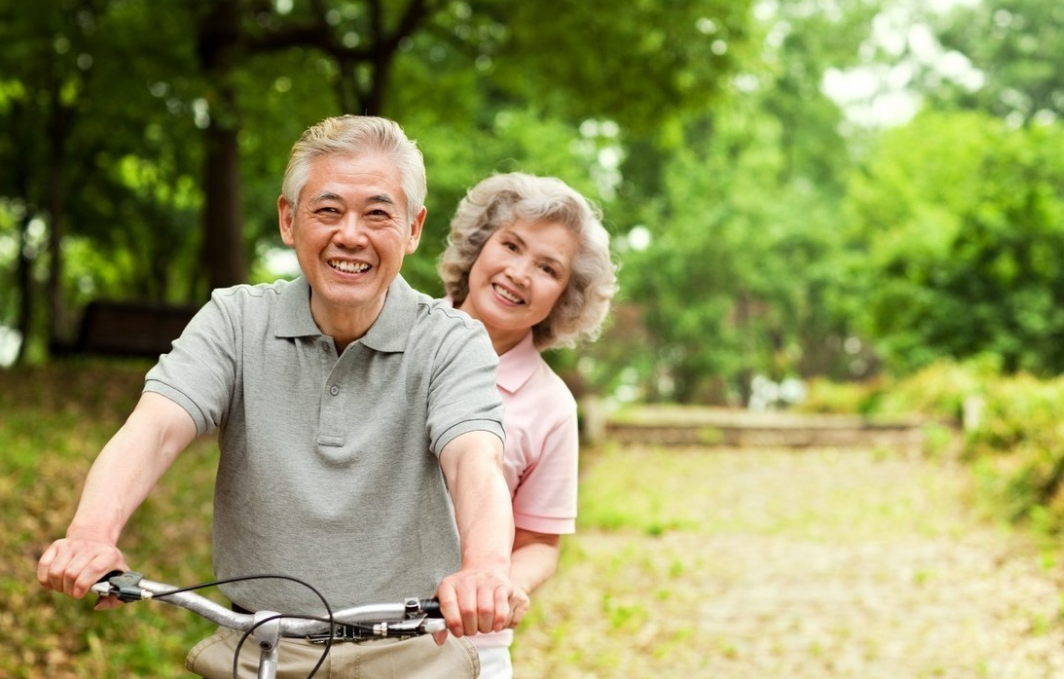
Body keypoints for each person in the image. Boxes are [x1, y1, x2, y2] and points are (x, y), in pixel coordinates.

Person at [36, 115, 515, 679]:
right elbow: (154, 429)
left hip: (410, 650)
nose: (351, 235)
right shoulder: (235, 320)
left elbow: (474, 458)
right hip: (258, 643)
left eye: (378, 213)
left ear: (413, 229)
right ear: (289, 220)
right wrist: (91, 535)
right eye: (328, 210)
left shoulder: (452, 341)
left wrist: (485, 567)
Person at [438, 172, 618, 678]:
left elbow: (541, 543)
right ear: (479, 246)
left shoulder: (552, 406)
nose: (519, 273)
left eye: (547, 268)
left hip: (469, 650)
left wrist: (500, 587)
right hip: (350, 632)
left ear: (565, 297)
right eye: (511, 245)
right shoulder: (391, 337)